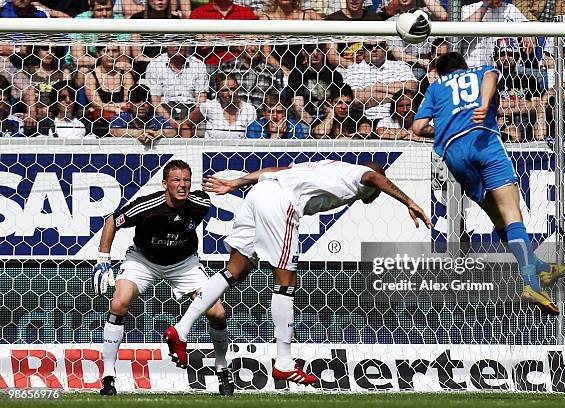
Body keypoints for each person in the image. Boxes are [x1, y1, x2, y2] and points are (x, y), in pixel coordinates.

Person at [163, 159, 432, 384]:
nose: (375, 194)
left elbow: (277, 170)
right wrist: (407, 200)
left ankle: (181, 329)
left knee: (235, 270)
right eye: (377, 191)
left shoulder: (328, 166)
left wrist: (236, 183)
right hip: (280, 203)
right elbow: (373, 177)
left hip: (259, 194)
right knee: (285, 282)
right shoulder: (358, 176)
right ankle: (284, 362)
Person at [412, 52, 565, 316]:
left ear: (440, 73)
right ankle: (531, 284)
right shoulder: (478, 71)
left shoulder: (435, 87)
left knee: (499, 220)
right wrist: (483, 105)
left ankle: (539, 266)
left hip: (455, 155)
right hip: (484, 142)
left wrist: (447, 128)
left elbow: (417, 127)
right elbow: (492, 75)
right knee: (512, 213)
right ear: (464, 67)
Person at [92, 160, 234, 396]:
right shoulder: (147, 206)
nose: (182, 185)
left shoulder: (200, 204)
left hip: (183, 264)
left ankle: (222, 370)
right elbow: (111, 221)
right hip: (143, 261)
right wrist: (103, 259)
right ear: (165, 184)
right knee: (119, 302)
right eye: (176, 180)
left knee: (217, 312)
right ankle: (108, 377)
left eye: (186, 180)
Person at [342, 40, 418, 121]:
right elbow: (357, 99)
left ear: (385, 47)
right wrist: (399, 97)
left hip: (401, 118)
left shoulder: (400, 65)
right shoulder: (354, 69)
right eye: (369, 47)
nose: (374, 49)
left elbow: (412, 87)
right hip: (371, 119)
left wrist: (377, 87)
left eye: (379, 46)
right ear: (363, 49)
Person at [144, 46, 209, 137]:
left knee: (189, 127)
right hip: (165, 111)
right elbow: (155, 103)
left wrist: (187, 122)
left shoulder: (198, 65)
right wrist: (172, 121)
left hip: (192, 111)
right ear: (166, 44)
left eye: (182, 40)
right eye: (175, 40)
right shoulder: (155, 65)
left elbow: (201, 102)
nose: (178, 45)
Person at [493, 42, 547, 141]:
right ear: (495, 58)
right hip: (501, 123)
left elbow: (536, 105)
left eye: (510, 55)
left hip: (527, 124)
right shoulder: (490, 80)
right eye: (501, 54)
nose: (506, 58)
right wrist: (521, 103)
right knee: (513, 133)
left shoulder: (528, 79)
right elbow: (490, 106)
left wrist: (507, 109)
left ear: (517, 57)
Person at [286, 44, 345, 124]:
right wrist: (314, 127)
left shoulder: (335, 76)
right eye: (310, 50)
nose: (315, 54)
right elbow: (299, 108)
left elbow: (339, 104)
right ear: (304, 52)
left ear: (324, 51)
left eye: (319, 50)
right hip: (305, 121)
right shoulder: (297, 75)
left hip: (329, 117)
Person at [215, 45, 285, 113]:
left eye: (257, 44)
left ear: (262, 46)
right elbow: (216, 97)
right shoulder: (227, 68)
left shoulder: (272, 72)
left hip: (260, 120)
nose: (252, 48)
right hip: (232, 116)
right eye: (249, 43)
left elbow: (276, 102)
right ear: (241, 45)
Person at [461, 0, 528, 67]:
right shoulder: (468, 9)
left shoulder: (511, 9)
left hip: (503, 67)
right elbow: (464, 29)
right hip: (472, 66)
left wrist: (529, 35)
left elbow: (527, 25)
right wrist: (485, 5)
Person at [189, 73, 257, 138]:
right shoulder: (210, 107)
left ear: (238, 89)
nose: (230, 93)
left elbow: (254, 137)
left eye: (233, 89)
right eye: (225, 90)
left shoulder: (249, 110)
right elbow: (186, 124)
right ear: (218, 92)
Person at [110, 84, 176, 142]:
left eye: (145, 100)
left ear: (150, 104)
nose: (142, 104)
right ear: (128, 104)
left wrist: (157, 133)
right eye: (137, 100)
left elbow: (173, 132)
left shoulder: (156, 118)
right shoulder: (120, 117)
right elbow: (115, 131)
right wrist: (139, 133)